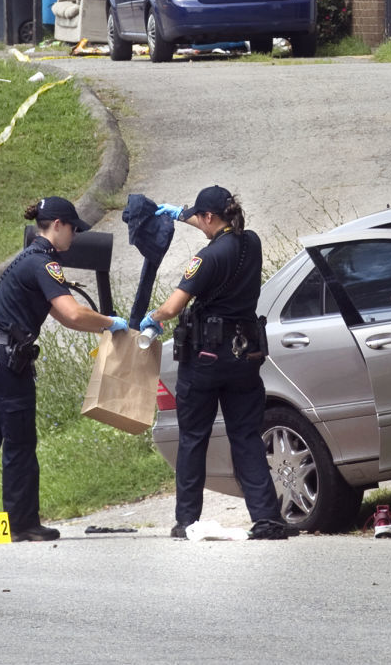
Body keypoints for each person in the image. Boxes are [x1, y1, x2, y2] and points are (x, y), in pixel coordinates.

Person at [0, 195, 129, 543]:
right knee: (20, 443)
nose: (74, 236)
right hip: (5, 363)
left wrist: (101, 325)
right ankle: (23, 523)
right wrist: (111, 322)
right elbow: (72, 313)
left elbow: (62, 314)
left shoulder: (26, 260)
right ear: (57, 225)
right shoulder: (44, 263)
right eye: (72, 228)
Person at [140, 186, 294, 540]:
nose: (199, 222)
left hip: (206, 359)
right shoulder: (250, 242)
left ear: (210, 217)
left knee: (194, 437)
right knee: (246, 436)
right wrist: (180, 213)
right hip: (245, 356)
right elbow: (217, 226)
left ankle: (187, 520)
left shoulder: (206, 258)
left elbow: (174, 306)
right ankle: (268, 519)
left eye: (199, 216)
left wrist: (153, 317)